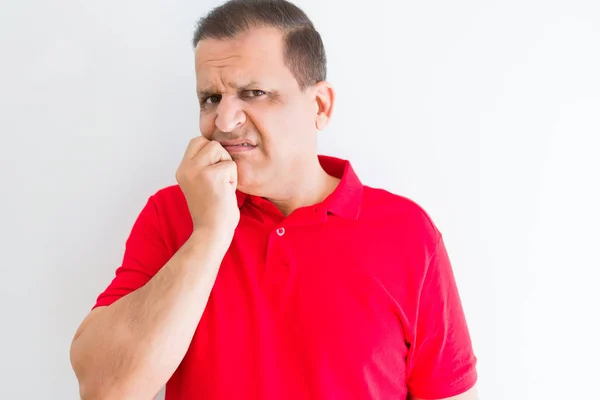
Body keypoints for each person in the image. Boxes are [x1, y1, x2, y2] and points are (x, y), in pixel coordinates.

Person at [69, 0, 478, 399]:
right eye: (211, 98)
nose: (224, 122)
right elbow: (105, 389)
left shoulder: (406, 231)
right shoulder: (172, 214)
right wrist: (211, 232)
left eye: (254, 92)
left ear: (319, 105)